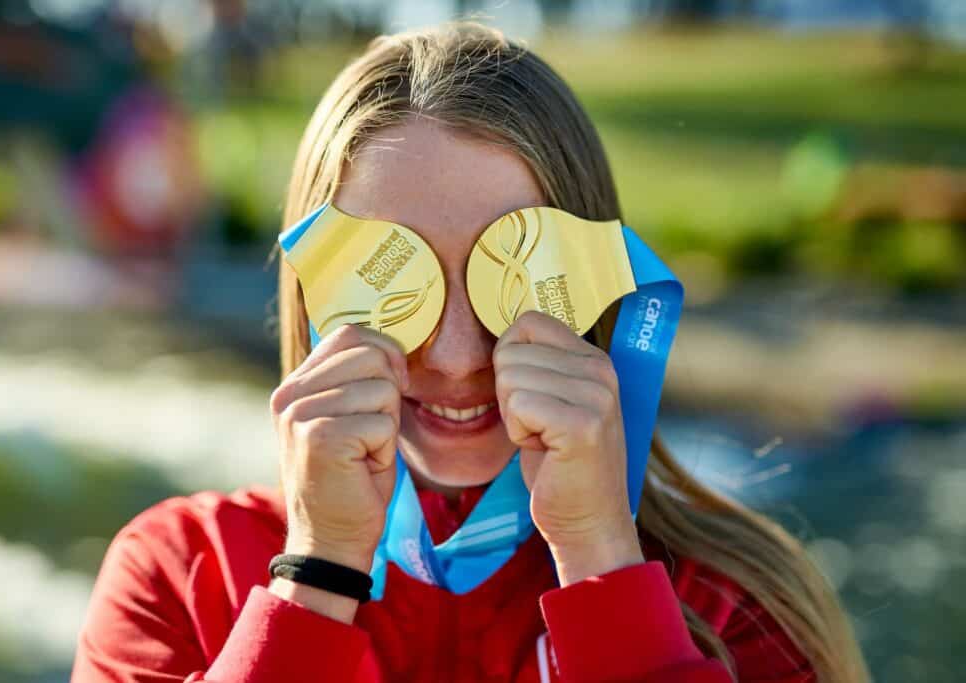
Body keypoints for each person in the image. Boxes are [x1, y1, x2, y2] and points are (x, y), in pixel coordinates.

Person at [72, 21, 868, 683]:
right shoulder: (178, 577)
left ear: (595, 277)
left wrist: (601, 561)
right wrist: (317, 574)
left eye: (511, 279)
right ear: (314, 287)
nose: (455, 355)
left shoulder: (739, 602)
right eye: (394, 282)